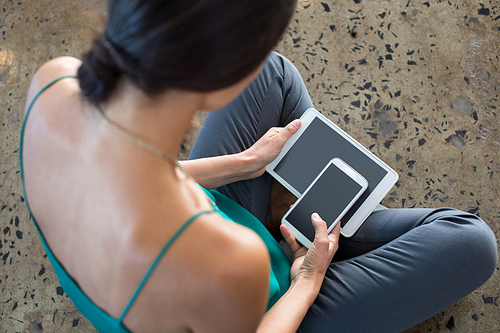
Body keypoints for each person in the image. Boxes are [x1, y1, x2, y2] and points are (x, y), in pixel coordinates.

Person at [19, 0, 497, 332]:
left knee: (276, 74)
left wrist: (246, 164)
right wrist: (307, 280)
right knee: (470, 241)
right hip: (253, 301)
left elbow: (126, 179)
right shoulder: (232, 260)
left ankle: (301, 215)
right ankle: (318, 228)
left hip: (185, 256)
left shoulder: (52, 82)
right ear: (224, 76)